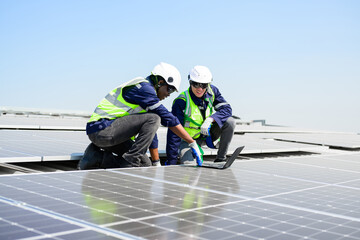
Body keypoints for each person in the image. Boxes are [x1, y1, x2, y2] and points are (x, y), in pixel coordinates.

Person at [78, 62, 203, 169]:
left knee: (145, 165)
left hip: (110, 135)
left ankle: (95, 157)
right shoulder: (144, 89)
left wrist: (156, 163)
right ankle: (129, 161)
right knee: (155, 118)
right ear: (160, 82)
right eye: (169, 89)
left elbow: (151, 134)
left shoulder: (148, 98)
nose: (169, 94)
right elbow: (168, 119)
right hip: (102, 129)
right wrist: (192, 142)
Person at [166, 65, 236, 165]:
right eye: (196, 84)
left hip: (207, 135)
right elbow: (174, 133)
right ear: (190, 82)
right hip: (188, 141)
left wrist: (211, 120)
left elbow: (227, 109)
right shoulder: (181, 101)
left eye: (203, 85)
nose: (200, 89)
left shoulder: (212, 91)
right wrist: (171, 162)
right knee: (188, 166)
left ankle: (221, 158)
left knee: (230, 122)